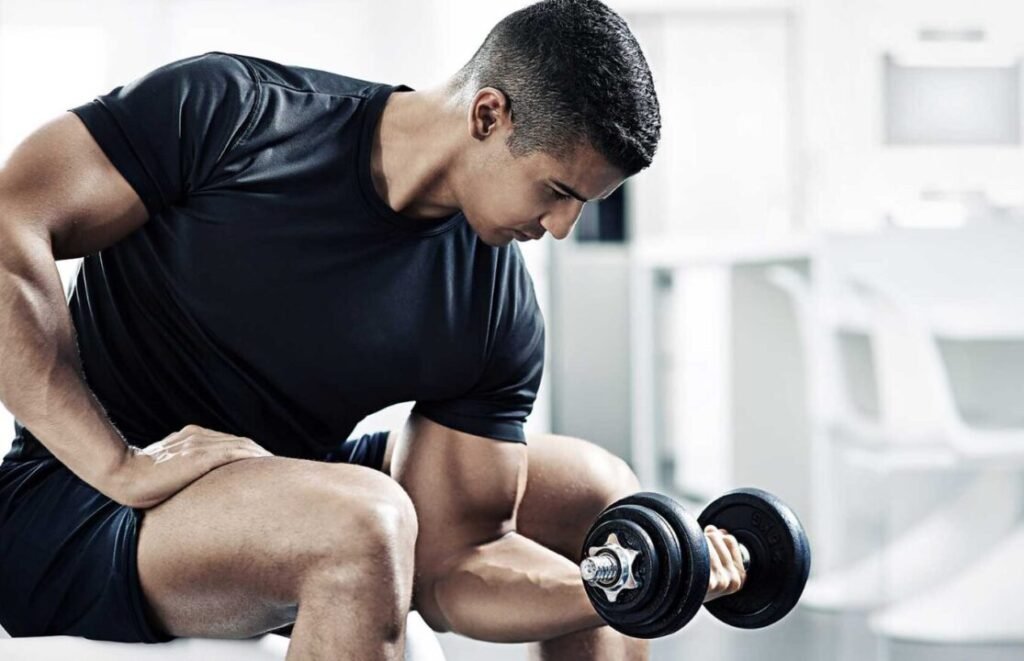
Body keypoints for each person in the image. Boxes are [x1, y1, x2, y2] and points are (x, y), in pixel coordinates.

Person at [0, 0, 746, 659]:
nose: (561, 228)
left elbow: (455, 565)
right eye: (556, 192)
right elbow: (10, 223)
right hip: (75, 507)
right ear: (488, 115)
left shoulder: (493, 306)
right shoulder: (237, 113)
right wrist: (120, 464)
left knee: (601, 493)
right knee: (366, 518)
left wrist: (623, 582)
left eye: (582, 204)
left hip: (288, 480)